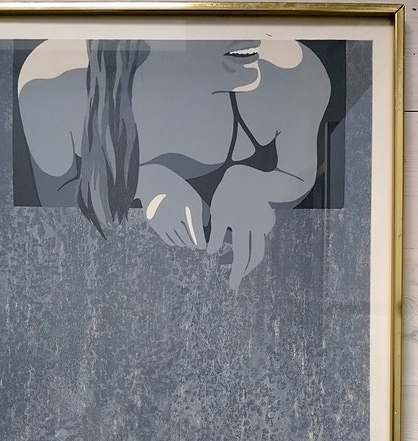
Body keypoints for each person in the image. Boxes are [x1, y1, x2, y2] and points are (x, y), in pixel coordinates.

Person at [18, 38, 331, 289]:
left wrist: (256, 185)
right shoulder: (53, 81)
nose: (251, 16)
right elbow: (53, 213)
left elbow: (298, 175)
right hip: (111, 297)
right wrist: (142, 183)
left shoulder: (290, 72)